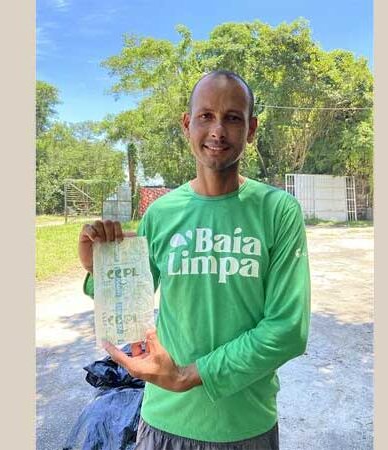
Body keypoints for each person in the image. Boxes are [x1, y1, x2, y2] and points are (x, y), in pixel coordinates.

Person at [78, 70, 311, 450]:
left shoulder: (278, 211)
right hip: (165, 419)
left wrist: (189, 375)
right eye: (206, 116)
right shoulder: (162, 213)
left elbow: (287, 330)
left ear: (250, 129)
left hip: (246, 426)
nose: (217, 130)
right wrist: (98, 270)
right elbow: (131, 299)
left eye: (232, 118)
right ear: (188, 125)